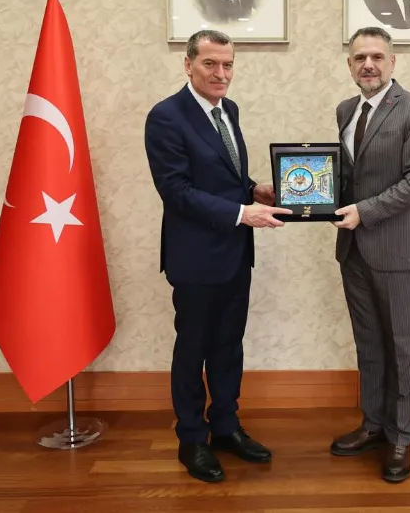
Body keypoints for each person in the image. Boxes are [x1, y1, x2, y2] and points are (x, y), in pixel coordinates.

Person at [144, 29, 291, 483]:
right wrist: (242, 212)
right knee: (193, 349)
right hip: (195, 258)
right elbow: (177, 190)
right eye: (210, 64)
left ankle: (226, 426)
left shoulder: (229, 110)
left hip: (234, 254)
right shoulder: (166, 117)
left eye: (227, 65)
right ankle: (192, 438)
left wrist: (254, 189)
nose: (221, 73)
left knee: (228, 346)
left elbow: (222, 177)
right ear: (188, 64)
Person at [330, 26, 410, 483]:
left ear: (392, 62)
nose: (368, 65)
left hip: (399, 248)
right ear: (350, 64)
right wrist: (304, 195)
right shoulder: (345, 110)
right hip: (354, 249)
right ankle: (374, 425)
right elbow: (349, 177)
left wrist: (364, 212)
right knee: (369, 343)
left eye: (377, 56)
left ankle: (401, 437)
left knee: (400, 346)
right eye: (360, 57)